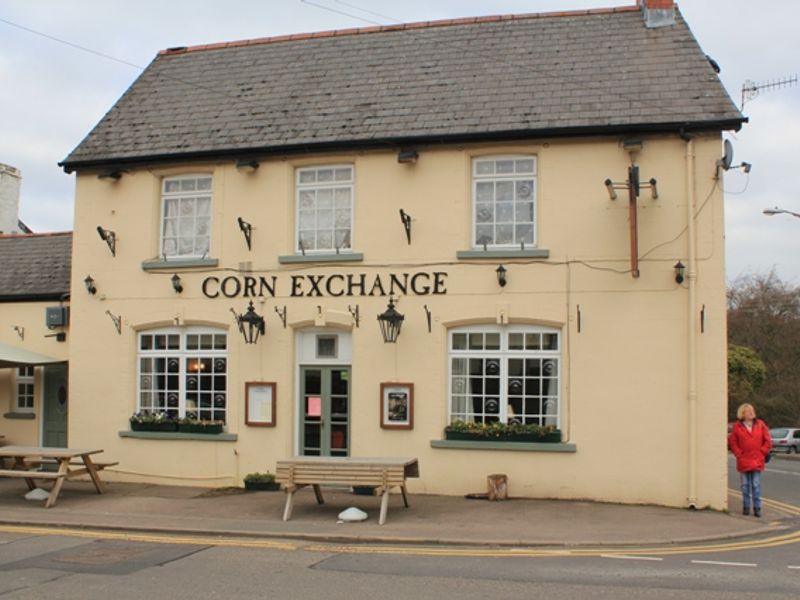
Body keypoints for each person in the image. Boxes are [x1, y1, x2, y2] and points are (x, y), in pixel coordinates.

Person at [728, 403, 772, 517]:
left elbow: (767, 440)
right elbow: (732, 442)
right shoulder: (737, 427)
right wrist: (739, 453)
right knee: (745, 485)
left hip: (757, 459)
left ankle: (757, 508)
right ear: (742, 414)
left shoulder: (760, 424)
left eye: (752, 410)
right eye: (748, 411)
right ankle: (746, 507)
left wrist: (762, 452)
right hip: (744, 460)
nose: (751, 412)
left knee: (756, 484)